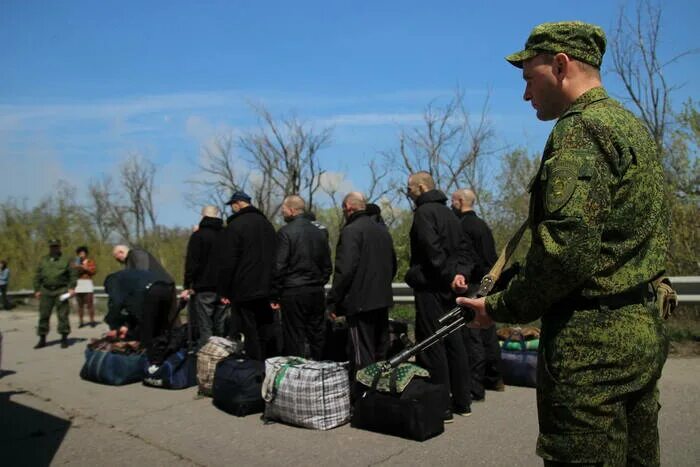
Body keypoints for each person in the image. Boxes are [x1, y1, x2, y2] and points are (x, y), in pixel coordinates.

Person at [457, 21, 669, 466]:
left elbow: (566, 254)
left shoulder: (581, 130)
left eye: (528, 78)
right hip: (640, 326)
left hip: (592, 344)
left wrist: (499, 308)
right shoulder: (629, 126)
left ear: (560, 65)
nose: (526, 95)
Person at [405, 171, 477, 421]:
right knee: (454, 342)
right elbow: (464, 250)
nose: (408, 194)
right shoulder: (450, 213)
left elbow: (432, 250)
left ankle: (441, 406)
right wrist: (460, 276)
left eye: (409, 189)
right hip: (450, 287)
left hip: (431, 288)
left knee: (432, 344)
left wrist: (450, 277)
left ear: (421, 188)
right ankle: (462, 401)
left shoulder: (424, 213)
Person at [327, 192, 396, 374]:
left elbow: (345, 270)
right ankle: (379, 394)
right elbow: (392, 265)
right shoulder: (382, 231)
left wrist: (333, 301)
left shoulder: (351, 231)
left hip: (359, 303)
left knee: (361, 354)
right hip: (382, 299)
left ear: (348, 208)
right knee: (380, 350)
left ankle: (363, 396)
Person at [451, 189, 504, 400]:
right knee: (488, 331)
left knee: (472, 336)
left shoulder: (463, 226)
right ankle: (495, 377)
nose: (451, 204)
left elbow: (468, 256)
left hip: (474, 283)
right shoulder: (482, 225)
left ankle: (476, 385)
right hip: (489, 281)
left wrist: (463, 278)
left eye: (453, 200)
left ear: (461, 201)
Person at [217, 191, 278, 360]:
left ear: (237, 204)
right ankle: (268, 364)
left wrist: (225, 290)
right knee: (265, 329)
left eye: (232, 206)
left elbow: (228, 261)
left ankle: (253, 368)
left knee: (248, 330)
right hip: (266, 287)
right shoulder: (267, 225)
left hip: (244, 287)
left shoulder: (235, 226)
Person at [271, 195, 332, 360]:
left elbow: (279, 266)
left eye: (283, 209)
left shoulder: (285, 232)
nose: (282, 213)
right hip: (316, 291)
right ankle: (319, 369)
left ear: (291, 210)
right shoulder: (319, 233)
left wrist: (275, 292)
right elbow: (327, 266)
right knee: (317, 335)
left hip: (293, 291)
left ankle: (298, 375)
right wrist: (319, 281)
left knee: (294, 336)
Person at [180, 206, 226, 349]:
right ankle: (223, 357)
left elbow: (192, 263)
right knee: (221, 327)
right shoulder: (227, 235)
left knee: (205, 327)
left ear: (202, 216)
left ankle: (206, 359)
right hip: (224, 287)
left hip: (204, 286)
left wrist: (188, 284)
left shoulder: (199, 236)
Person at [103, 269, 174, 348]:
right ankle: (164, 349)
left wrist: (112, 322)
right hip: (167, 288)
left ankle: (149, 356)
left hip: (151, 290)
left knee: (146, 330)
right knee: (160, 326)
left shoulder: (112, 280)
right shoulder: (128, 278)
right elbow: (131, 305)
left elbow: (116, 303)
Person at [33, 239, 77, 349]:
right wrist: (37, 289)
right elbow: (37, 275)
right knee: (44, 315)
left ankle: (64, 338)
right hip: (46, 290)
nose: (54, 248)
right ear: (49, 247)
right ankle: (42, 338)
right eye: (52, 247)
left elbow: (73, 274)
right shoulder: (44, 260)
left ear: (59, 247)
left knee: (62, 315)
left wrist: (72, 287)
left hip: (61, 290)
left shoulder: (66, 260)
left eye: (56, 246)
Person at [72, 246, 97, 328]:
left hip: (87, 283)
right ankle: (81, 321)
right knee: (80, 304)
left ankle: (92, 320)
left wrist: (86, 268)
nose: (82, 255)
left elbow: (93, 271)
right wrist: (78, 266)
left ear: (86, 254)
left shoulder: (90, 262)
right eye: (80, 253)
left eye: (83, 253)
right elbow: (72, 271)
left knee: (90, 304)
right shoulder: (76, 262)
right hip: (78, 283)